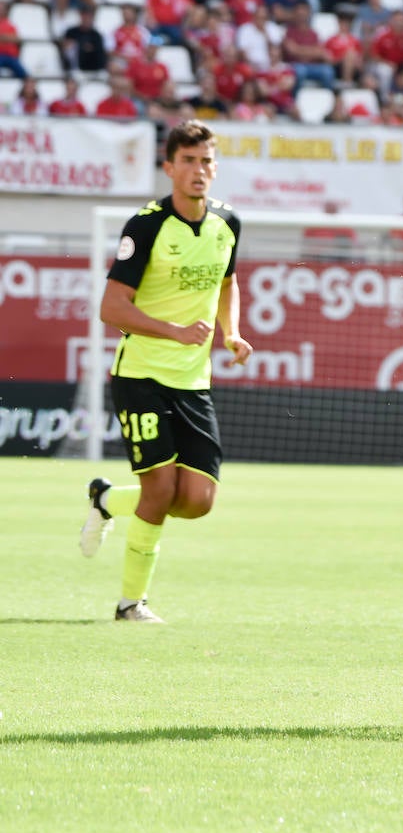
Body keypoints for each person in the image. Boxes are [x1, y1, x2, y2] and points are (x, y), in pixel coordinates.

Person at [78, 120, 254, 623]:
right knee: (159, 490)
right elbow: (111, 308)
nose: (199, 171)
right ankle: (131, 602)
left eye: (207, 161)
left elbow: (228, 283)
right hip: (141, 375)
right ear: (169, 167)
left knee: (197, 500)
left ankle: (106, 499)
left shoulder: (228, 222)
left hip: (193, 380)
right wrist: (171, 330)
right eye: (189, 161)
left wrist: (230, 332)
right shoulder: (146, 225)